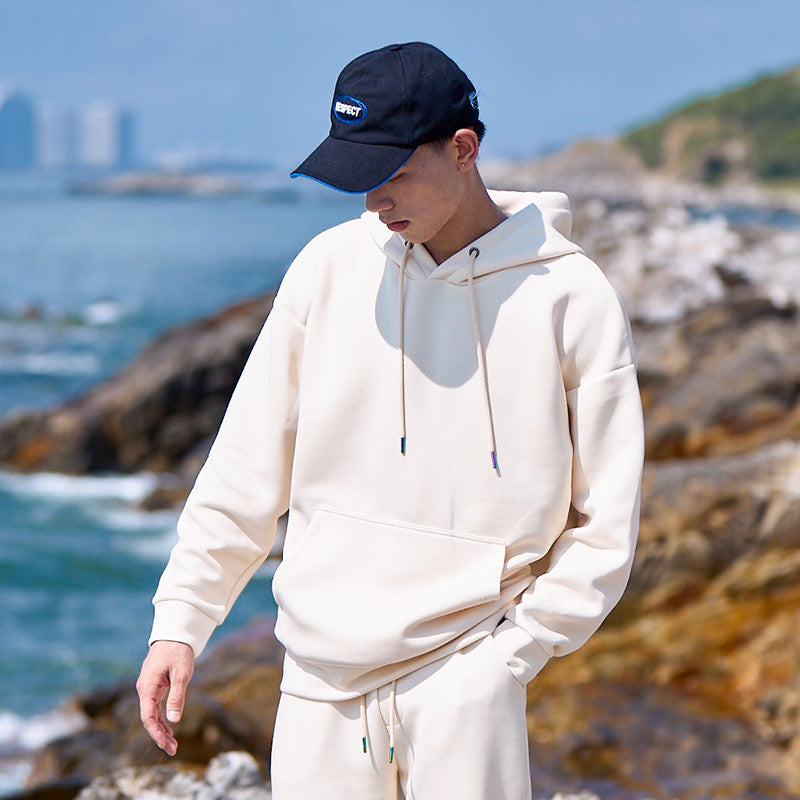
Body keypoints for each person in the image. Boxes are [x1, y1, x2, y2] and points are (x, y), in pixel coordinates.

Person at [136, 41, 644, 800]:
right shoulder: (326, 268)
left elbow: (607, 518)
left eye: (393, 172)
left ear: (463, 150)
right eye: (358, 175)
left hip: (468, 676)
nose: (374, 199)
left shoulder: (571, 296)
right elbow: (244, 469)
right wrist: (181, 621)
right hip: (317, 682)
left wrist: (515, 653)